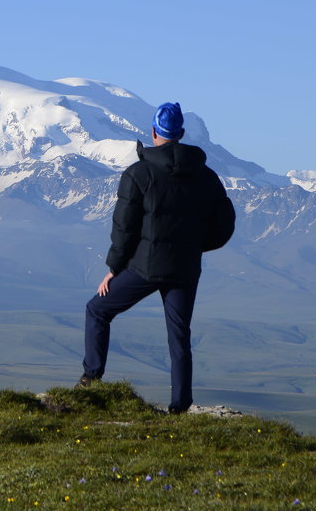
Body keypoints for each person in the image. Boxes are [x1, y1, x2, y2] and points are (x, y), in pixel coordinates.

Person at [79, 102, 236, 414]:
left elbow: (124, 227)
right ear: (181, 133)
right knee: (179, 336)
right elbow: (225, 222)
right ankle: (180, 407)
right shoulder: (206, 176)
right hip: (186, 267)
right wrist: (197, 247)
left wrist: (114, 268)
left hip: (144, 266)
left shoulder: (138, 174)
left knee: (97, 310)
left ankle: (91, 379)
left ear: (153, 132)